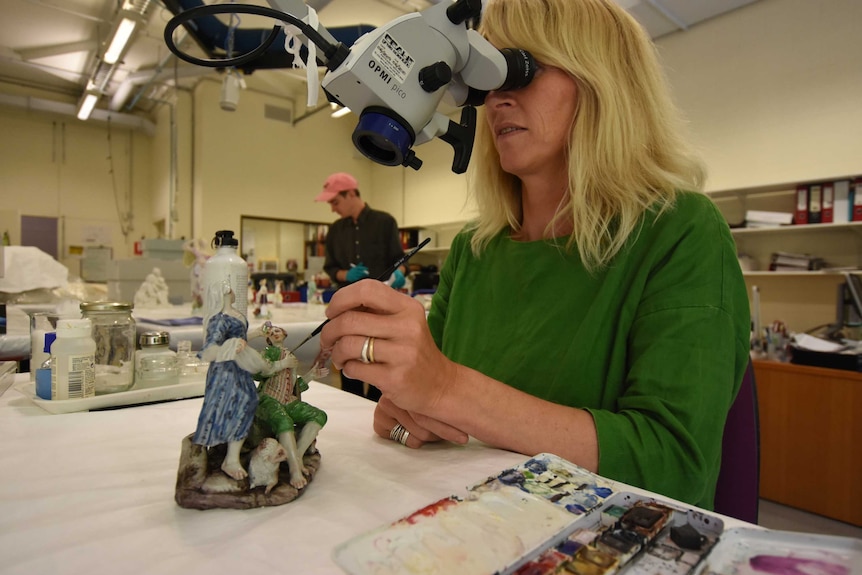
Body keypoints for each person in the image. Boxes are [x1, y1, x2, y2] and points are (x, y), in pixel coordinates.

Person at [317, 0, 750, 511]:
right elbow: (434, 403)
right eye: (486, 75)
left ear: (602, 83)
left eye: (522, 68)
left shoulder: (681, 232)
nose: (497, 96)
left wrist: (446, 391)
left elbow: (675, 465)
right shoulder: (473, 250)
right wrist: (405, 406)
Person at [315, 171, 407, 402]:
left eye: (335, 202)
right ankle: (352, 411)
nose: (333, 209)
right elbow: (331, 267)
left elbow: (401, 260)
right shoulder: (335, 230)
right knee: (350, 365)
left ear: (352, 194)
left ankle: (381, 408)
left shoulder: (385, 222)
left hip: (381, 309)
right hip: (349, 309)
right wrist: (347, 274)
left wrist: (399, 273)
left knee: (381, 365)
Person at [193, 281, 292, 480]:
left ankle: (232, 454)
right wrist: (230, 347)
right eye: (227, 287)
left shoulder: (236, 314)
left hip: (241, 367)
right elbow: (209, 349)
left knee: (248, 402)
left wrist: (256, 333)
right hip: (226, 370)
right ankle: (229, 458)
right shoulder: (217, 320)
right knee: (234, 405)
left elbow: (241, 337)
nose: (231, 290)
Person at [249, 321, 329, 489]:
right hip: (268, 399)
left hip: (288, 400)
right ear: (268, 339)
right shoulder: (267, 353)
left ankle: (297, 456)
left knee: (319, 415)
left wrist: (310, 375)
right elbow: (257, 373)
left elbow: (294, 387)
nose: (275, 333)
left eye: (278, 330)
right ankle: (294, 470)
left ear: (285, 334)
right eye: (271, 333)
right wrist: (281, 364)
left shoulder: (290, 356)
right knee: (284, 421)